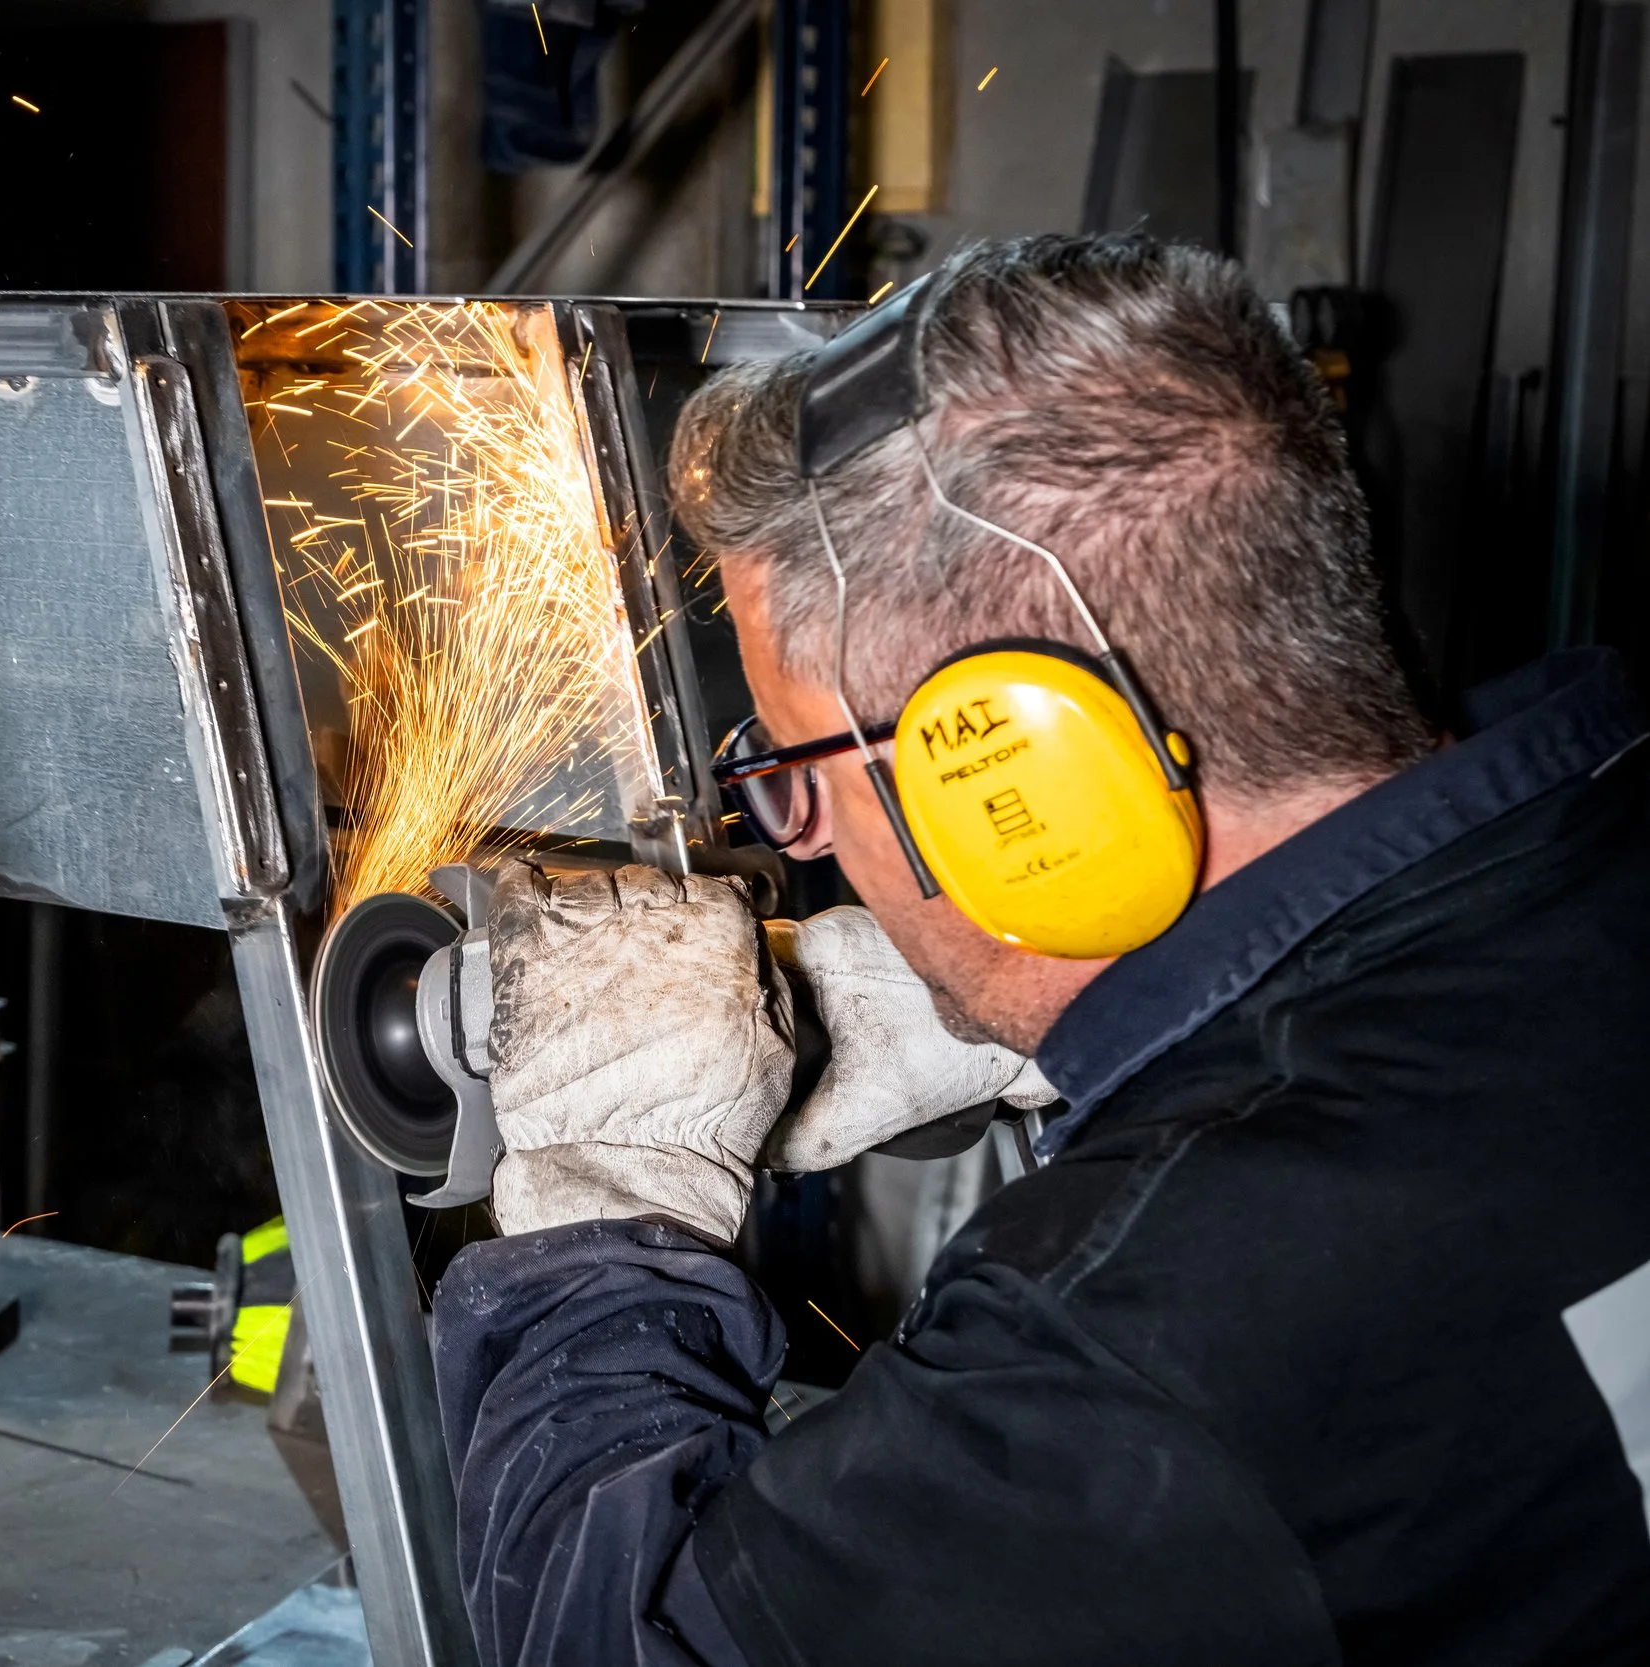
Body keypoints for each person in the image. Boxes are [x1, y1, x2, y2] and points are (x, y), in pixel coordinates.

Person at [429, 234, 1650, 1666]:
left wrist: (609, 1209)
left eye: (794, 767)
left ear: (1018, 774)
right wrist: (1074, 1029)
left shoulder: (1133, 1342)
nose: (802, 840)